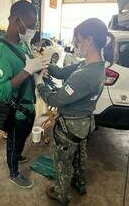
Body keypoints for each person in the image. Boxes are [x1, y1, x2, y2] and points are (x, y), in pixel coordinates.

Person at [34, 18, 109, 204]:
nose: (76, 45)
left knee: (63, 161)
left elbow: (55, 99)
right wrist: (45, 65)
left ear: (89, 40)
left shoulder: (85, 75)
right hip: (84, 124)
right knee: (80, 157)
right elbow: (61, 73)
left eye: (78, 40)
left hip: (70, 127)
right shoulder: (93, 65)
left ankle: (62, 193)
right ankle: (80, 184)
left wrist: (40, 83)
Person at [0, 0, 49, 188]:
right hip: (17, 110)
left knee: (22, 137)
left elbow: (29, 69)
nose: (32, 31)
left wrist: (38, 70)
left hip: (29, 105)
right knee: (14, 141)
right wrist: (26, 71)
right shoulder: (0, 49)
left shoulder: (24, 45)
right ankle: (13, 173)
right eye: (30, 26)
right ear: (16, 20)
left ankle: (18, 153)